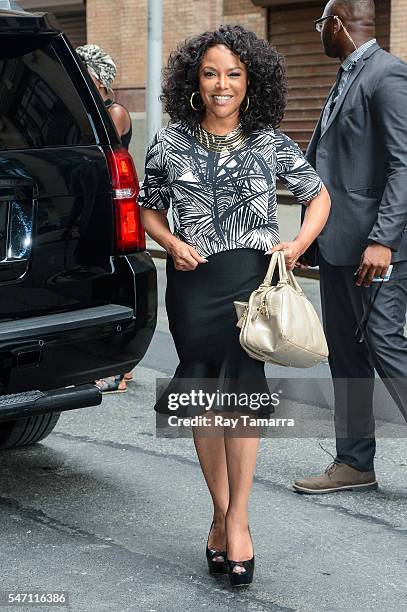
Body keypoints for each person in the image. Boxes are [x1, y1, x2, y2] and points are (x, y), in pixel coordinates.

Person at [138, 25, 330, 586]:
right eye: (211, 73)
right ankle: (219, 514)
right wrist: (171, 243)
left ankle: (239, 519)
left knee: (241, 391)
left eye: (234, 74)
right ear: (194, 82)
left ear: (251, 82)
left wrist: (294, 246)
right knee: (201, 390)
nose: (222, 85)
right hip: (194, 284)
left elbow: (319, 197)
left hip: (251, 281)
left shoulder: (270, 142)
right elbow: (150, 209)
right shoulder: (168, 141)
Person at [293, 0, 407, 495]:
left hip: (375, 249)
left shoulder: (388, 76)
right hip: (339, 248)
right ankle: (354, 462)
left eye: (322, 24)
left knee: (385, 342)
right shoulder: (348, 75)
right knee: (346, 354)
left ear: (338, 24)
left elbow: (404, 166)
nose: (319, 33)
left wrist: (383, 238)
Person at [76, 44, 134, 393]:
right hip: (94, 203)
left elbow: (97, 152)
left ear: (100, 81)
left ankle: (119, 369)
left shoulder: (113, 112)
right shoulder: (94, 110)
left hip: (111, 206)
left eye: (85, 75)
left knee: (113, 285)